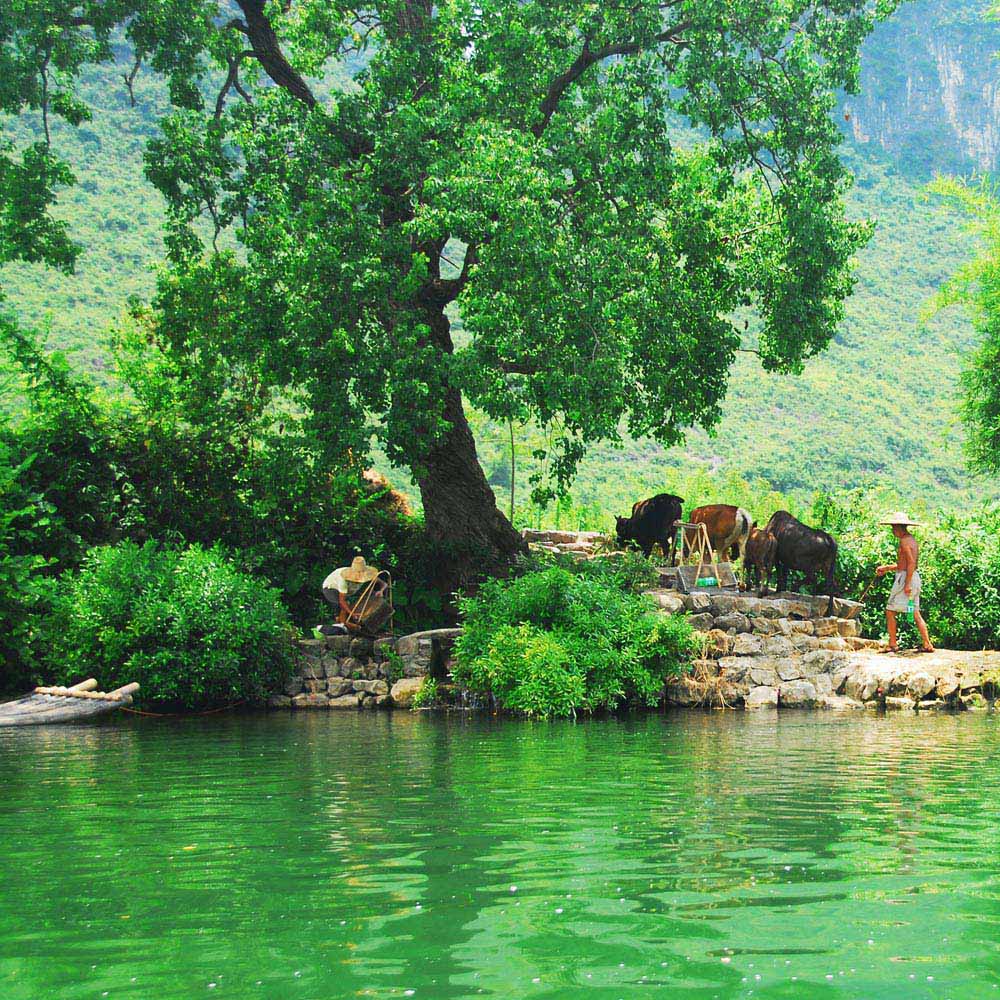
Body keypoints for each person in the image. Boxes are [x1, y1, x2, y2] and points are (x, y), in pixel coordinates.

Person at [875, 512, 934, 654]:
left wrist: (907, 584)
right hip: (912, 577)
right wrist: (887, 568)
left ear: (898, 527)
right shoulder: (911, 540)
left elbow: (911, 563)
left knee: (890, 611)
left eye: (893, 527)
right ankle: (927, 643)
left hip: (906, 579)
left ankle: (893, 644)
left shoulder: (904, 541)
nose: (892, 530)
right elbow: (906, 563)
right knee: (914, 611)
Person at [322, 556, 382, 627]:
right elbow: (342, 601)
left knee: (365, 599)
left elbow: (383, 584)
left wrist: (381, 590)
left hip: (348, 591)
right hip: (331, 588)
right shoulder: (342, 580)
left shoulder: (367, 574)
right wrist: (352, 613)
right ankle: (342, 626)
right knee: (342, 607)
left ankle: (347, 623)